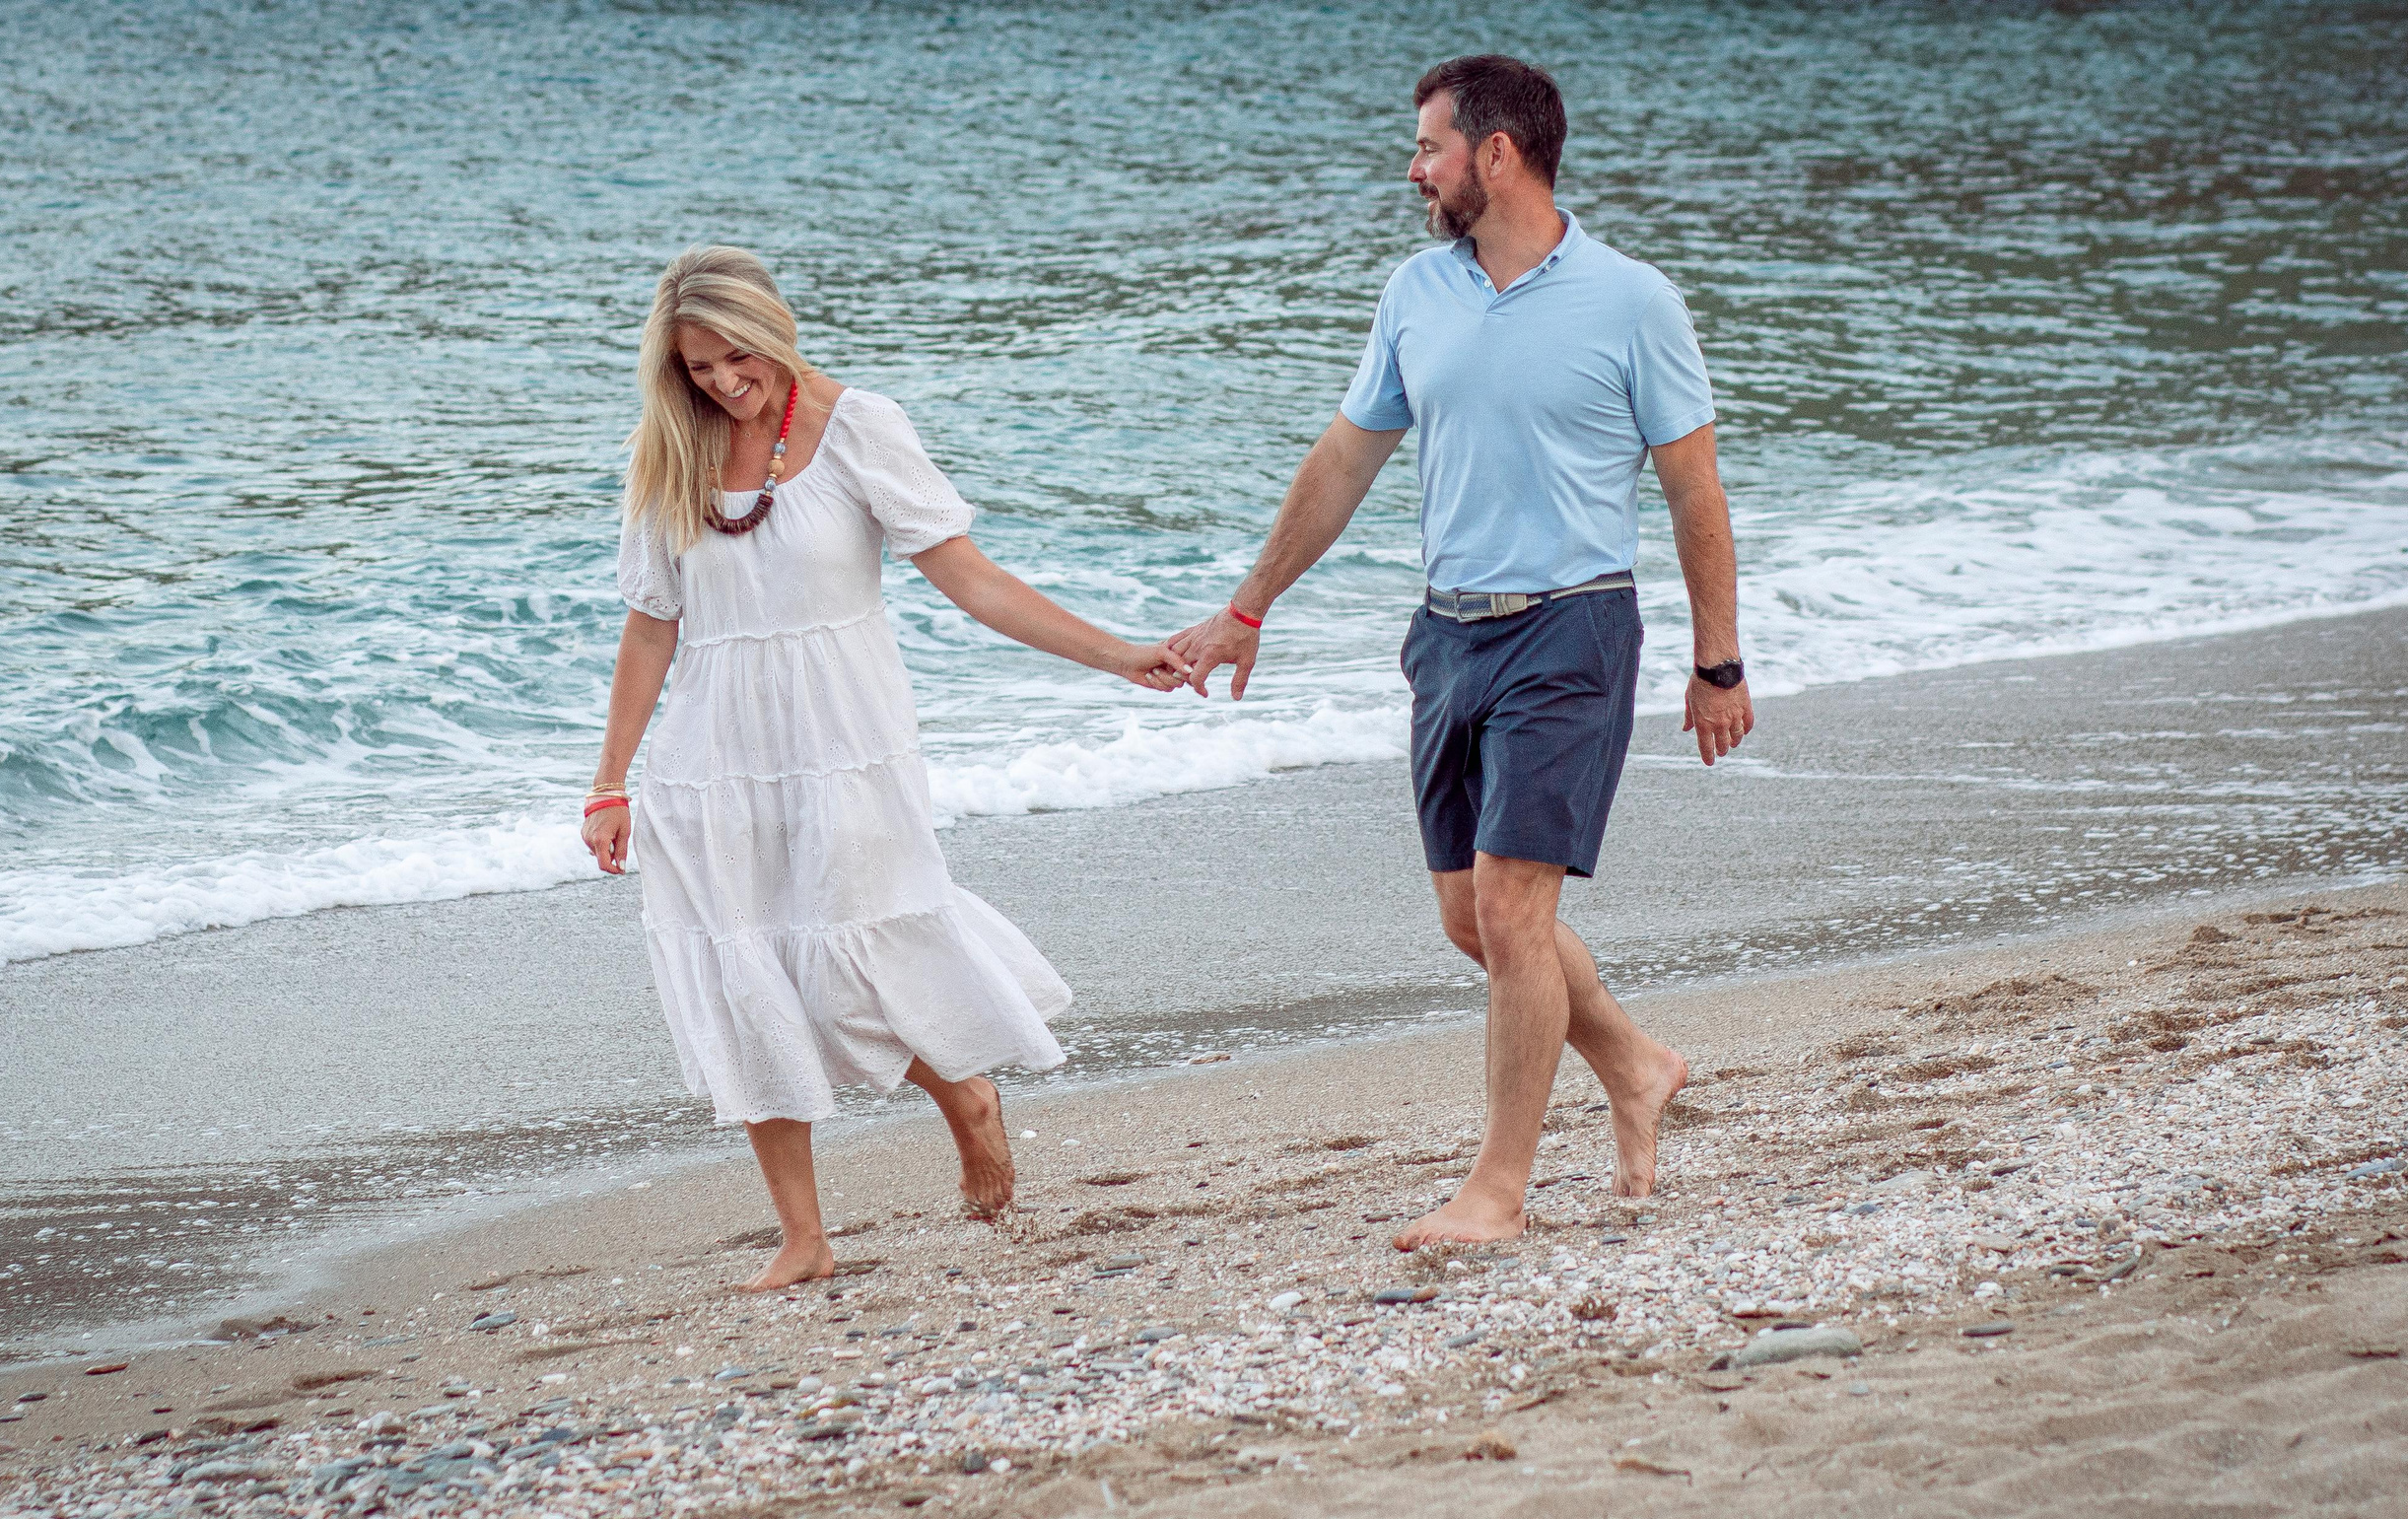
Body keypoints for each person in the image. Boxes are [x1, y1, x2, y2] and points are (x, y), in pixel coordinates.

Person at [1169, 56, 1754, 1249]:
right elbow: (1346, 458)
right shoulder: (1415, 292)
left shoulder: (1632, 301)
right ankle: (1635, 1064)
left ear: (1496, 152)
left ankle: (1498, 1189)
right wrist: (1246, 608)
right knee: (1471, 919)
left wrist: (1718, 663)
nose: (1413, 170)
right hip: (1444, 634)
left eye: (1428, 147)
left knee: (1511, 907)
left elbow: (1693, 488)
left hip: (1572, 623)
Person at [583, 245, 1183, 1291]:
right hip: (711, 762)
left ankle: (964, 1093)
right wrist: (609, 782)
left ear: (772, 330)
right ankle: (804, 1238)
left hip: (846, 745)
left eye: (735, 357)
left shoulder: (859, 427)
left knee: (847, 970)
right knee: (744, 978)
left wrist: (1118, 654)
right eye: (697, 368)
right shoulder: (667, 451)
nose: (723, 382)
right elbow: (649, 628)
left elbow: (972, 581)